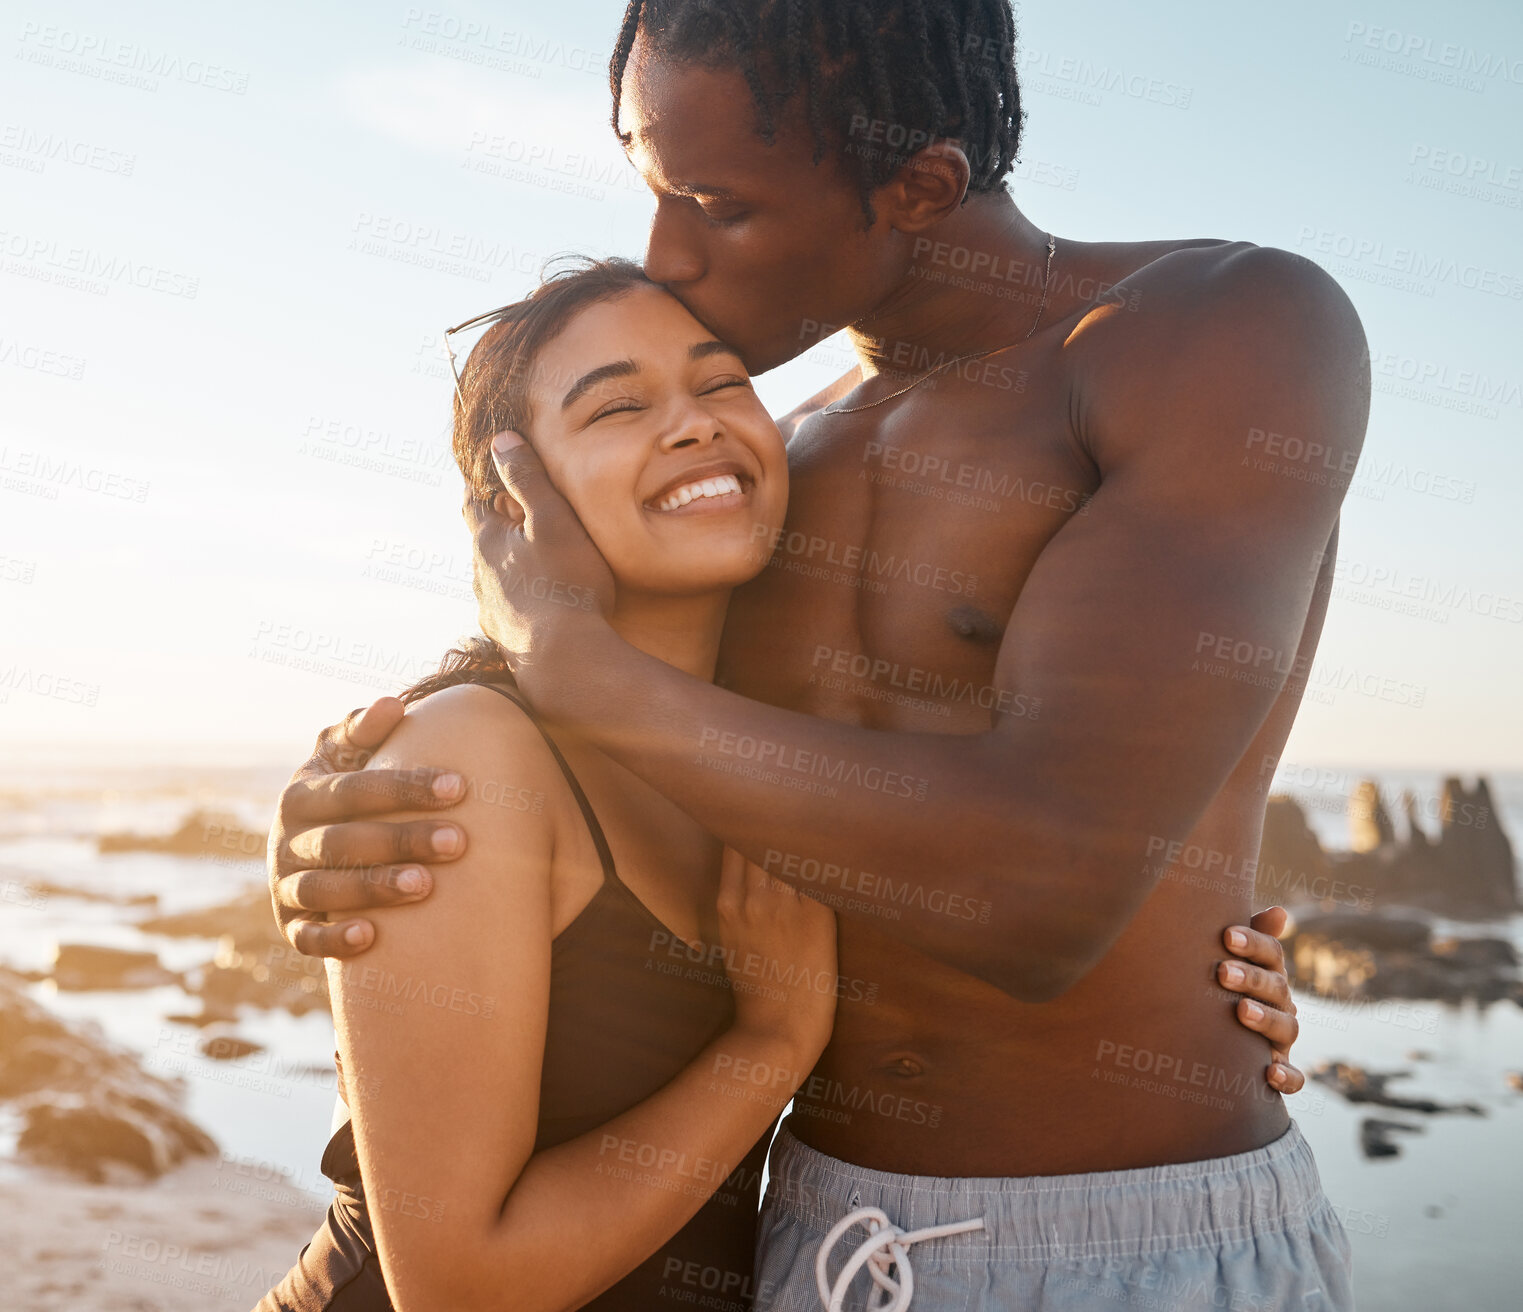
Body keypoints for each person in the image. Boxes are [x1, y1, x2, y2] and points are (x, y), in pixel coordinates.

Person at [269, 2, 1368, 1308]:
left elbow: (1044, 893)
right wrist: (340, 811)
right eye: (651, 193)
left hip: (1126, 1238)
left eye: (715, 207)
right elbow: (563, 755)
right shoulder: (758, 467)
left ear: (913, 186)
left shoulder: (1216, 332)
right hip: (804, 1228)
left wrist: (586, 676)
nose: (662, 261)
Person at [258, 261, 839, 1312]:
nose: (693, 425)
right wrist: (771, 1042)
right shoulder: (471, 762)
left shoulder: (768, 736)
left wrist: (1230, 969)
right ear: (511, 503)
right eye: (617, 405)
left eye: (721, 386)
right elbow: (460, 1288)